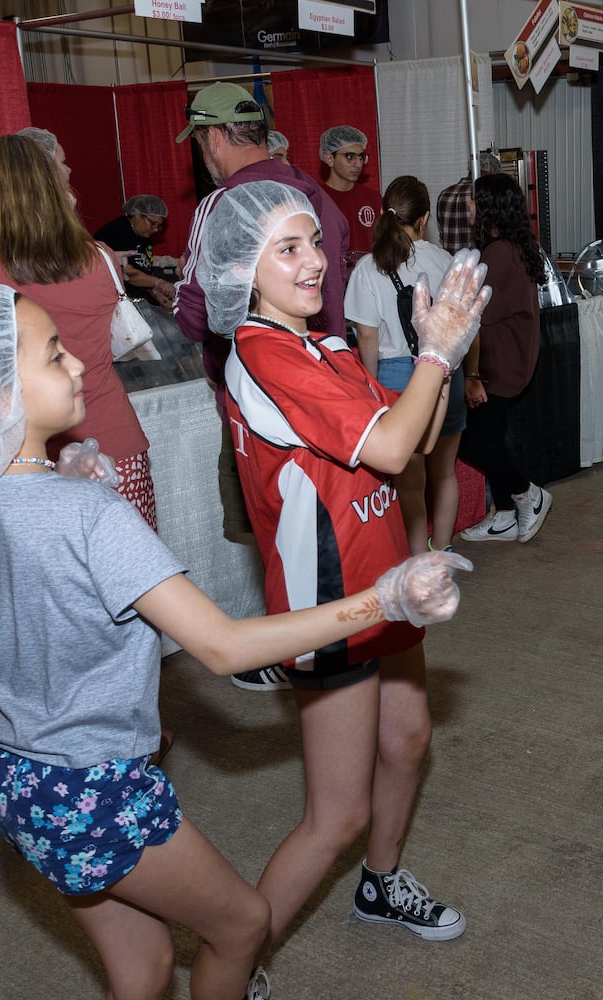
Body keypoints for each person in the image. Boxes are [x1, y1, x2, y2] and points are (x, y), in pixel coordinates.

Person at [0, 283, 472, 1000]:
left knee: (145, 968)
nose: (78, 365)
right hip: (96, 788)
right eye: (53, 355)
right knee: (241, 924)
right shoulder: (89, 518)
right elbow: (223, 647)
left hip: (16, 783)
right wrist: (381, 599)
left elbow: (34, 559)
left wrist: (56, 468)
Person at [204, 180, 489, 955]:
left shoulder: (322, 345)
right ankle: (236, 960)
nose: (315, 263)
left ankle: (381, 884)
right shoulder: (262, 354)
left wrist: (444, 357)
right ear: (241, 268)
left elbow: (415, 439)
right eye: (287, 249)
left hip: (388, 585)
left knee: (408, 740)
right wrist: (432, 352)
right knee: (336, 816)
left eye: (316, 244)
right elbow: (395, 450)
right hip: (330, 604)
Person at [172, 82, 351, 692]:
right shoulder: (312, 195)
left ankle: (293, 646)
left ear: (213, 136)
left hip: (262, 391)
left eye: (199, 140)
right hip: (333, 377)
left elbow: (196, 313)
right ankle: (332, 634)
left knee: (278, 525)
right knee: (329, 522)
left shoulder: (222, 205)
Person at [0, 134, 157, 531]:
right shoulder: (98, 258)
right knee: (136, 579)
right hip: (110, 437)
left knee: (39, 585)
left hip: (16, 460)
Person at [345, 175, 465, 552]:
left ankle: (417, 564)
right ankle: (442, 553)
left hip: (395, 376)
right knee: (444, 473)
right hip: (447, 374)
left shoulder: (368, 268)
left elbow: (368, 339)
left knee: (410, 483)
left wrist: (370, 392)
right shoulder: (444, 260)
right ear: (424, 218)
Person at [454, 172, 554, 544]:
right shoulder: (511, 247)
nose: (467, 206)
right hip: (511, 358)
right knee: (491, 438)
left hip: (499, 365)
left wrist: (474, 374)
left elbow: (476, 319)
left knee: (472, 442)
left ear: (489, 207)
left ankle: (528, 492)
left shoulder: (498, 254)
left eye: (473, 200)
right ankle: (506, 514)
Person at [94, 195, 176, 309]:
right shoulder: (119, 231)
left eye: (159, 225)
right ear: (137, 215)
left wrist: (157, 293)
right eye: (153, 223)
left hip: (133, 301)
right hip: (113, 304)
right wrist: (159, 283)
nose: (156, 229)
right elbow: (126, 272)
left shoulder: (144, 238)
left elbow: (144, 274)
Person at [320, 124, 381, 268]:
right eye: (350, 157)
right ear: (329, 158)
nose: (358, 163)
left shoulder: (373, 199)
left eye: (361, 157)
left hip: (370, 281)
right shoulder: (317, 199)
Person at [437, 151, 501, 255]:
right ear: (490, 172)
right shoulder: (482, 196)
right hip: (476, 264)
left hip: (450, 265)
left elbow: (441, 235)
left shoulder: (444, 194)